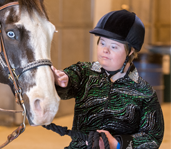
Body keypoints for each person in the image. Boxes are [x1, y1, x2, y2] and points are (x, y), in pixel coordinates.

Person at [52, 10, 164, 149]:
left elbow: (152, 137)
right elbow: (70, 80)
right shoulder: (84, 72)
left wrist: (117, 144)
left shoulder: (144, 92)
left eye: (113, 46)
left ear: (130, 51)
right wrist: (63, 82)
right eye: (102, 43)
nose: (105, 50)